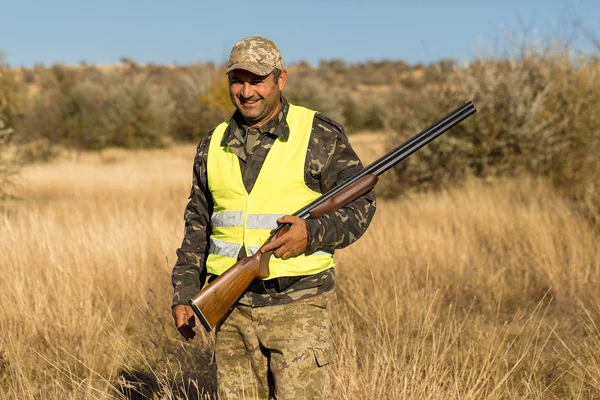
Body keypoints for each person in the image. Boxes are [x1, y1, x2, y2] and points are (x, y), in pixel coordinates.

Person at [171, 36, 376, 399]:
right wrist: (185, 293)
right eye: (238, 79)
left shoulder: (319, 135)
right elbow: (197, 225)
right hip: (230, 309)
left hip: (298, 307)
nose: (246, 91)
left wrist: (311, 234)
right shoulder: (212, 143)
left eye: (257, 80)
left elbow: (361, 205)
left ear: (281, 79)